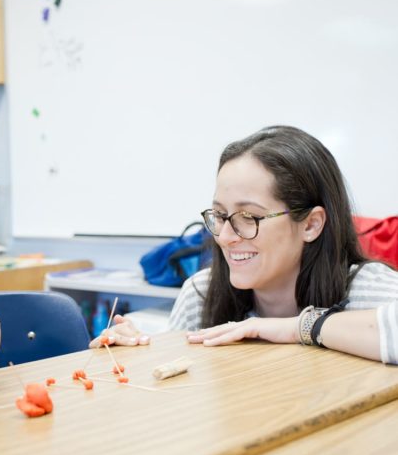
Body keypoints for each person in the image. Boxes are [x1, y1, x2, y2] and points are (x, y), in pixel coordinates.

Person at [90, 126, 398, 365]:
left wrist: (298, 328)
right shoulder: (201, 293)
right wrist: (143, 354)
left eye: (249, 216)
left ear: (311, 224)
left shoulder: (364, 289)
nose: (225, 237)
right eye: (220, 215)